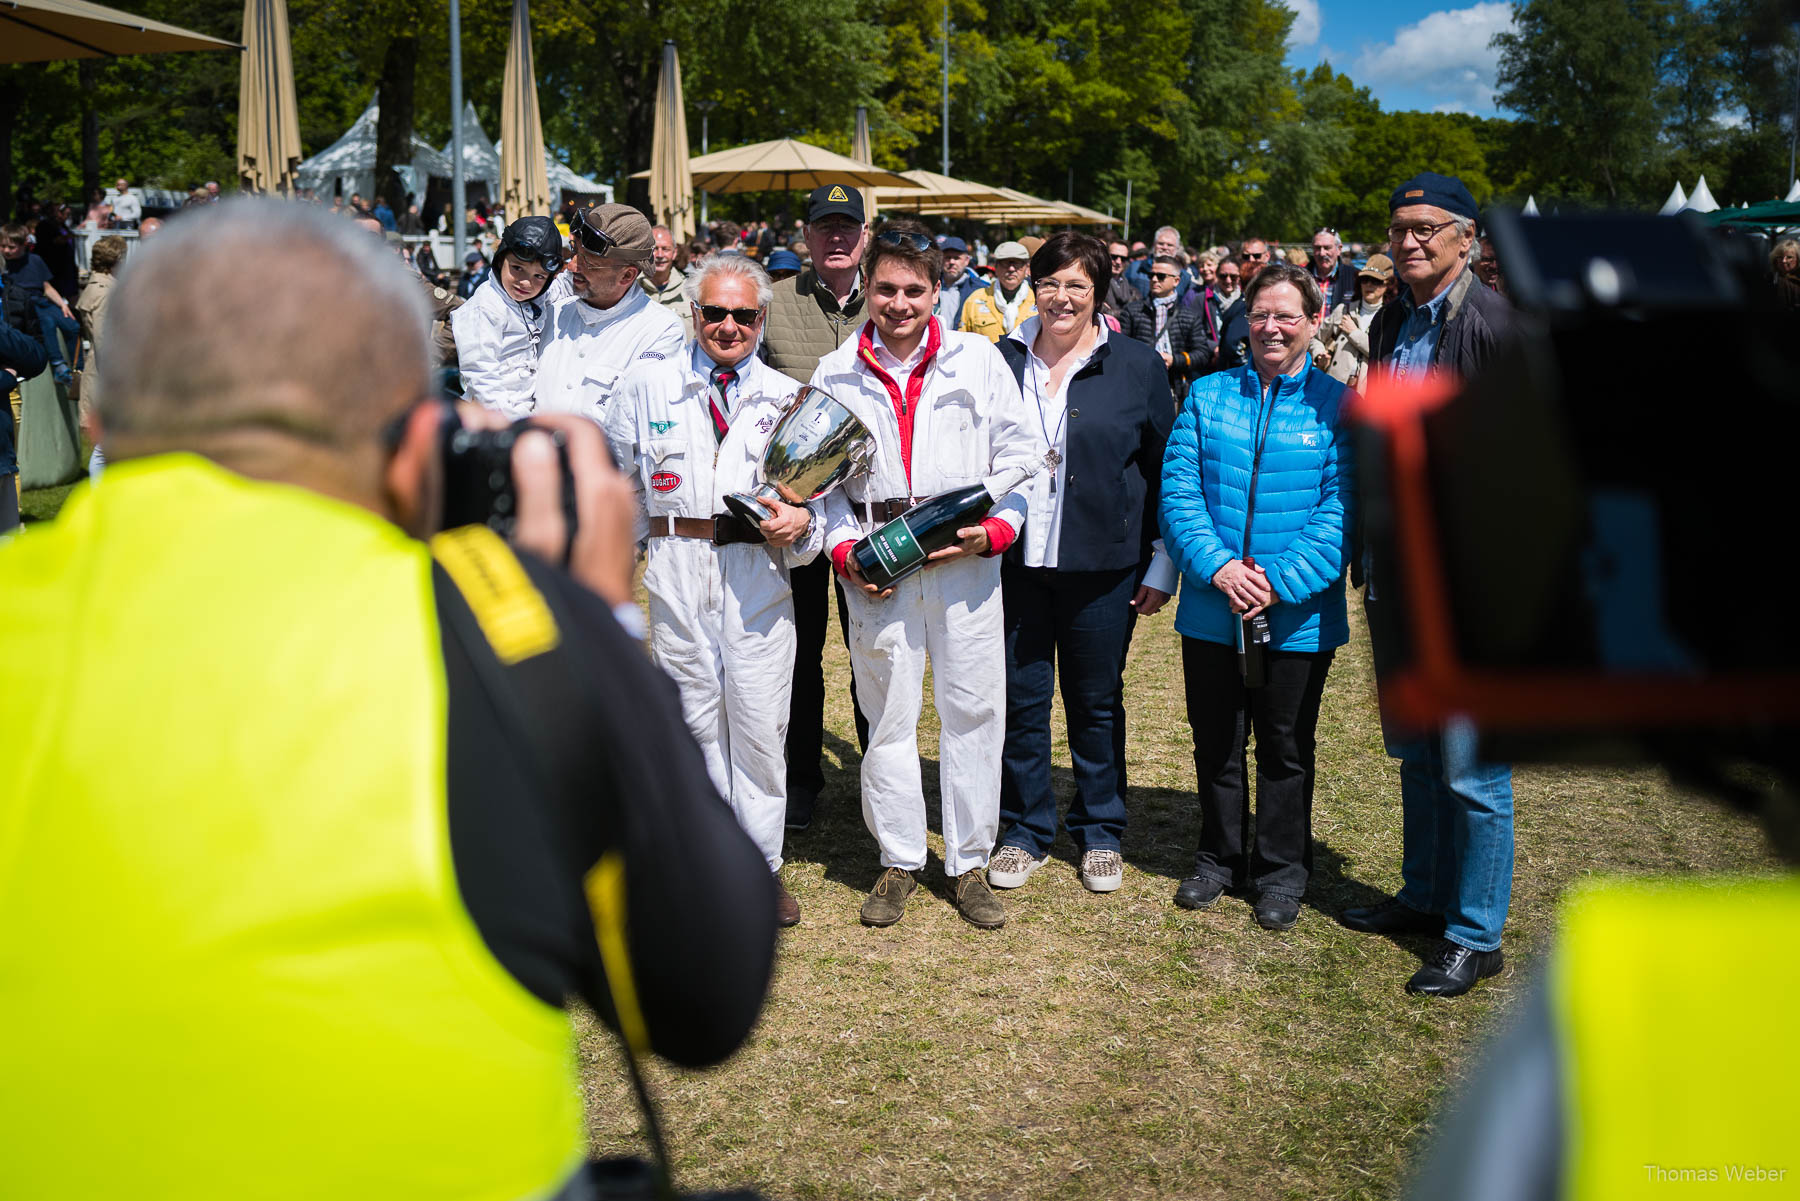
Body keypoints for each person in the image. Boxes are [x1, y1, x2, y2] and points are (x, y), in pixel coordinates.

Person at [0, 200, 777, 1197]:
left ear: (101, 420)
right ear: (423, 445)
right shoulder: (498, 640)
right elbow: (709, 994)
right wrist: (594, 626)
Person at [812, 217, 1046, 929]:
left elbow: (1028, 456)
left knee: (974, 708)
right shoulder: (837, 370)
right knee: (886, 716)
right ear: (868, 290)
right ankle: (899, 858)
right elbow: (817, 490)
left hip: (964, 562)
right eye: (886, 289)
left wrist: (995, 531)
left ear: (937, 286)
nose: (900, 303)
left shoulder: (977, 361)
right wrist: (847, 550)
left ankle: (968, 861)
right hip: (881, 561)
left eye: (914, 289)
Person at [606, 255, 824, 929]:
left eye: (744, 314)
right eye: (716, 312)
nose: (729, 326)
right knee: (693, 721)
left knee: (759, 725)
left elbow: (818, 509)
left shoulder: (788, 397)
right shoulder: (646, 385)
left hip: (755, 571)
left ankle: (759, 869)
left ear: (761, 320)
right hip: (677, 565)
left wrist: (804, 525)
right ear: (694, 314)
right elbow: (621, 486)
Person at [1341, 171, 1516, 997]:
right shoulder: (1391, 320)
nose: (1407, 240)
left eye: (1426, 228)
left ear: (1466, 237)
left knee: (1472, 765)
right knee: (1415, 750)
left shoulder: (1493, 323)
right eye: (1398, 225)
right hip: (1394, 569)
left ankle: (1476, 934)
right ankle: (1425, 894)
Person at [1158, 261, 1352, 932]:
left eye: (1286, 315)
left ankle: (1280, 870)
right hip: (1214, 610)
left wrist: (1276, 581)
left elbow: (1344, 506)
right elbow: (1178, 494)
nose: (1271, 327)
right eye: (1261, 314)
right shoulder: (1208, 397)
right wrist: (1220, 569)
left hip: (1296, 616)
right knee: (1216, 740)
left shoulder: (1339, 406)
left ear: (1313, 319)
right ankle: (1217, 857)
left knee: (1285, 745)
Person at [987, 233, 1175, 895]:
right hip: (1013, 563)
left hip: (1104, 564)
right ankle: (1024, 828)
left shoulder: (1134, 364)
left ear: (1098, 293)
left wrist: (1162, 560)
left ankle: (1099, 829)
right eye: (1049, 283)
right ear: (1032, 286)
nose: (1061, 297)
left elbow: (1163, 467)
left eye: (1077, 286)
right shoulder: (997, 362)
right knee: (1022, 699)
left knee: (1095, 703)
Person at [762, 182, 873, 830]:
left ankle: (877, 784)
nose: (835, 237)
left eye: (846, 227)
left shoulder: (887, 301)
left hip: (865, 510)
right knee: (798, 651)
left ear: (863, 235)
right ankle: (802, 777)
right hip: (792, 509)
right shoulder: (773, 304)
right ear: (806, 236)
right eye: (823, 226)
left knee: (872, 649)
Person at [534, 204, 684, 425]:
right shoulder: (552, 313)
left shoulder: (660, 330)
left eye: (588, 262)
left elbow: (640, 422)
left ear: (627, 276)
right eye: (575, 252)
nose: (572, 266)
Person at [451, 215, 571, 418]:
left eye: (539, 276)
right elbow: (481, 374)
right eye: (517, 268)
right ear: (500, 261)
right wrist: (510, 424)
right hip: (494, 412)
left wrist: (579, 268)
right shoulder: (486, 307)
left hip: (525, 406)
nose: (525, 282)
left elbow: (563, 287)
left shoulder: (538, 296)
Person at [1120, 254, 1213, 402]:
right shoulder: (1132, 310)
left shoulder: (1189, 316)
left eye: (1161, 276)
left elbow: (1202, 354)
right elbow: (1120, 348)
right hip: (1137, 385)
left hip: (1173, 387)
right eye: (1151, 275)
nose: (1154, 279)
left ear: (1176, 281)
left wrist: (1174, 360)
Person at [1, 221, 80, 386]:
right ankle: (58, 365)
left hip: (41, 300)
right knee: (47, 323)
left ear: (24, 245)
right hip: (25, 303)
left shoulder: (35, 260)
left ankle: (77, 367)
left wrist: (63, 304)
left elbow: (47, 287)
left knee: (71, 325)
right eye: (3, 246)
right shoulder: (4, 265)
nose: (6, 251)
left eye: (12, 247)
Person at [75, 234, 127, 478]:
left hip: (102, 372)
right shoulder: (105, 292)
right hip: (107, 376)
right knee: (105, 448)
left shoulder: (98, 288)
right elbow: (105, 340)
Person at [1310, 252, 1392, 389]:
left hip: (1367, 395)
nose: (1369, 285)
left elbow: (1385, 355)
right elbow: (1315, 339)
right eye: (1365, 279)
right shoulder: (1343, 310)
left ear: (1387, 285)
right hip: (1333, 388)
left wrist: (1354, 333)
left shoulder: (1391, 317)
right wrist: (1319, 355)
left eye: (1376, 281)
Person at [958, 241, 1038, 341]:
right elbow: (963, 341)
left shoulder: (1038, 301)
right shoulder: (975, 300)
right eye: (1005, 263)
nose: (1011, 268)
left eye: (1017, 263)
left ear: (1026, 267)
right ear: (996, 266)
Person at [1211, 239, 1269, 372]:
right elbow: (1232, 342)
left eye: (1256, 256)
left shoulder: (1275, 282)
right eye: (1246, 256)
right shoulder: (1242, 299)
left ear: (1267, 257)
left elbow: (1233, 342)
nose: (1251, 260)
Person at [639, 224, 691, 337]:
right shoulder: (631, 288)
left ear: (674, 252)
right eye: (655, 249)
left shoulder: (690, 290)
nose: (660, 255)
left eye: (666, 249)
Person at [1124, 225, 1191, 297]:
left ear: (1177, 248)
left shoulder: (1184, 277)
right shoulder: (1135, 268)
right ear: (1154, 245)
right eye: (1161, 243)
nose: (1165, 247)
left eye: (1170, 245)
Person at [934, 236, 981, 327]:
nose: (951, 262)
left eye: (956, 258)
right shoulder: (930, 286)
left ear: (967, 260)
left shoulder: (978, 290)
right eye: (947, 257)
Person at [1308, 228, 1358, 311]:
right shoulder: (1300, 277)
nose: (1322, 253)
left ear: (1339, 249)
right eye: (1317, 248)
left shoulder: (1354, 276)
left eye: (1327, 248)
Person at [1103, 239, 1142, 317]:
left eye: (1123, 258)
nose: (1118, 262)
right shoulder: (1094, 284)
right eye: (1114, 257)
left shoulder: (1133, 291)